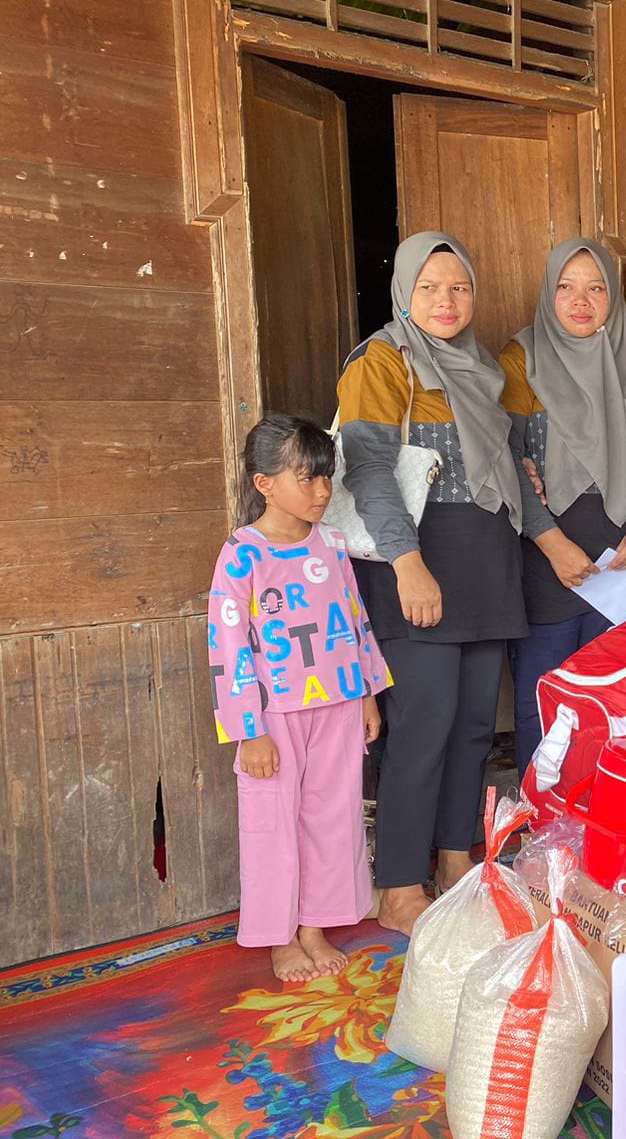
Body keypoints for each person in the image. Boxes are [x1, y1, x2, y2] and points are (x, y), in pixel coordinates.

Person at [337, 232, 533, 936]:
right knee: (423, 726)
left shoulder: (482, 366)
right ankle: (396, 888)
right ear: (405, 293)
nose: (446, 302)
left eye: (458, 288)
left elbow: (507, 459)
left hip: (486, 559)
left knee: (477, 727)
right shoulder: (382, 361)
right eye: (430, 288)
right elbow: (366, 470)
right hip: (419, 560)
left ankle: (455, 861)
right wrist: (406, 561)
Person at [208, 415, 390, 981]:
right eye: (305, 479)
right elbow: (227, 641)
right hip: (273, 716)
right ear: (264, 484)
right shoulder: (242, 554)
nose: (320, 492)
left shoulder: (333, 545)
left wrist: (366, 695)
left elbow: (355, 622)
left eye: (325, 478)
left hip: (338, 705)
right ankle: (279, 935)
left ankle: (315, 924)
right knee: (272, 823)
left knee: (334, 818)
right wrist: (249, 729)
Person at [502, 239, 626, 776]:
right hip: (549, 558)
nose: (581, 300)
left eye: (596, 287)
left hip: (624, 556)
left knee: (614, 698)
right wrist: (552, 542)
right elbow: (507, 458)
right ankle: (540, 821)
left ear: (612, 297)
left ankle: (602, 821)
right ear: (549, 294)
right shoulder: (521, 361)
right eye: (566, 287)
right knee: (544, 697)